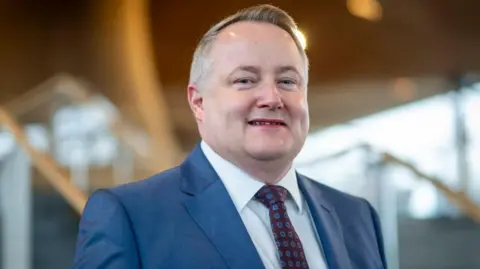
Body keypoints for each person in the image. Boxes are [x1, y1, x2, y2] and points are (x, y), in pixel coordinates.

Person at [73, 4, 387, 269]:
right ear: (198, 102)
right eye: (245, 80)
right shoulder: (129, 216)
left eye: (288, 81)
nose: (271, 97)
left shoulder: (357, 218)